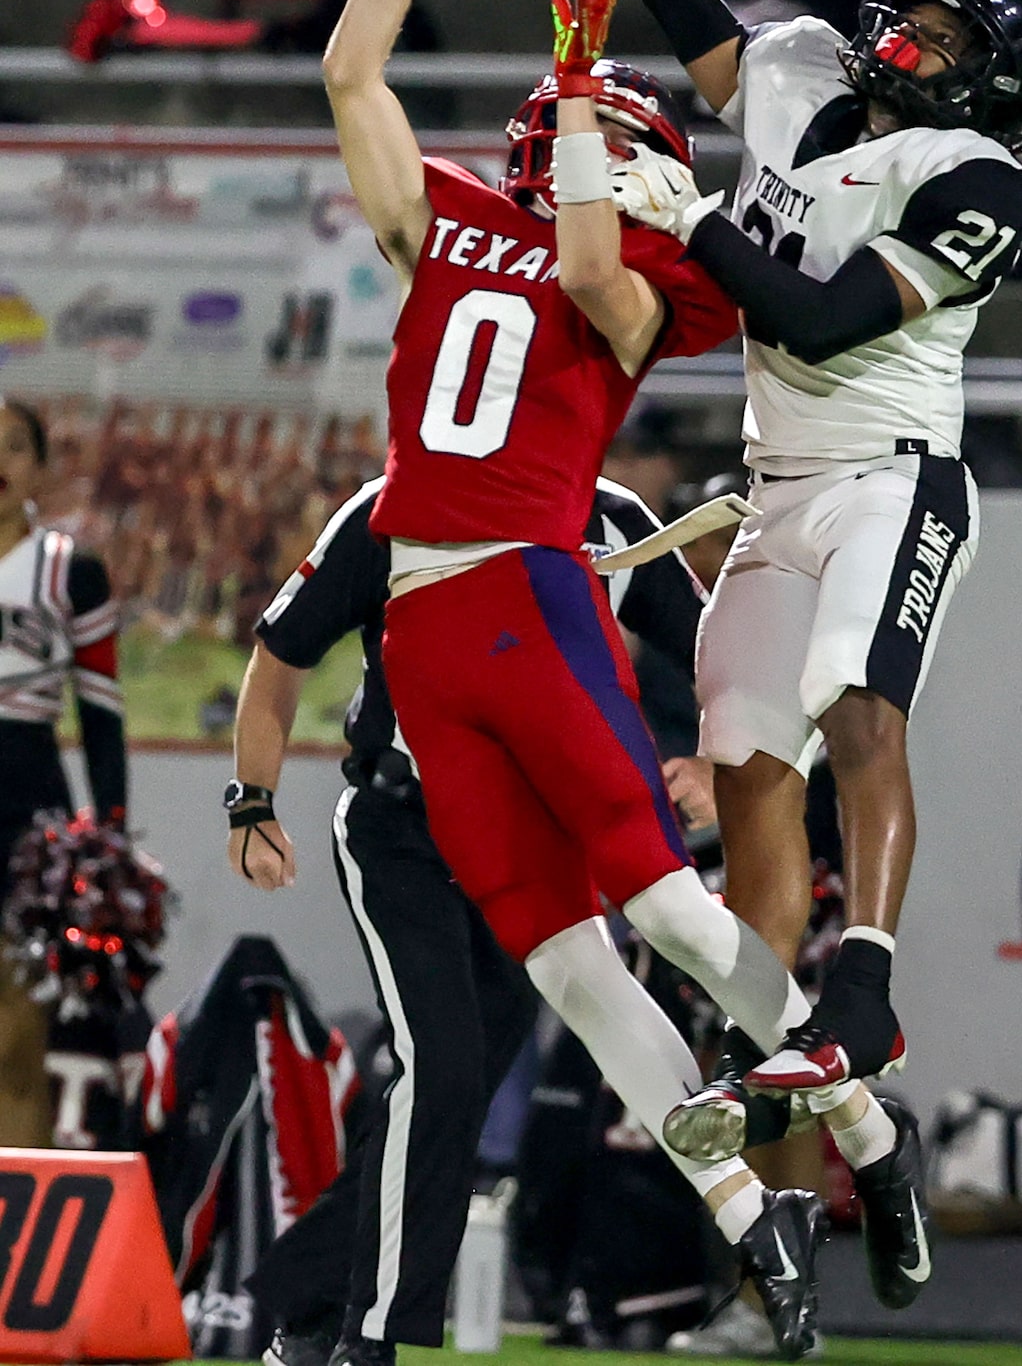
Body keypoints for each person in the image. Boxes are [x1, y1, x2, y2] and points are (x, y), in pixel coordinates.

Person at [319, 0, 879, 1361]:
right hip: (445, 640)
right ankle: (751, 1195)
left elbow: (585, 258)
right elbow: (355, 79)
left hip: (515, 604)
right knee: (585, 968)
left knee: (666, 924)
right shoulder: (470, 226)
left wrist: (576, 116)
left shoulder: (629, 279)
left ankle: (852, 1099)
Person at [520, 0, 1022, 1313]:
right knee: (748, 789)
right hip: (769, 485)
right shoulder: (799, 74)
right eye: (909, 13)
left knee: (856, 713)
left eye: (944, 36)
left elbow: (827, 324)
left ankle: (868, 1001)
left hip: (891, 470)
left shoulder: (979, 175)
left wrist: (691, 216)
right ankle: (818, 1154)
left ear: (992, 83)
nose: (902, 38)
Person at [228, 470, 708, 1366]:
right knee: (440, 1069)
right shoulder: (389, 511)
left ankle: (304, 1300)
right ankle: (366, 1340)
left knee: (450, 1093)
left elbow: (719, 646)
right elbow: (280, 652)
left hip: (530, 846)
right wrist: (248, 801)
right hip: (402, 826)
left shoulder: (607, 517)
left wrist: (715, 758)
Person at [0, 397, 127, 884]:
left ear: (39, 468)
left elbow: (100, 714)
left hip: (30, 805)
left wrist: (112, 834)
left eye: (14, 448)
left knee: (24, 957)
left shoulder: (73, 572)